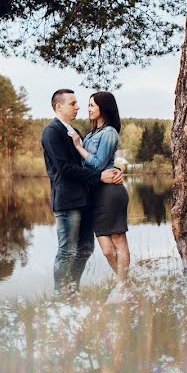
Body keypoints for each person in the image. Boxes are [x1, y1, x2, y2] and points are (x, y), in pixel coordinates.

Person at [41, 89, 123, 297]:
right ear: (59, 106)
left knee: (86, 249)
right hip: (68, 200)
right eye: (73, 103)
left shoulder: (75, 131)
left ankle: (72, 289)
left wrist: (116, 170)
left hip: (86, 200)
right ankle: (61, 295)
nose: (78, 107)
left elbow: (94, 160)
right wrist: (98, 177)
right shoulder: (52, 132)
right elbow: (64, 168)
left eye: (79, 104)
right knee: (67, 250)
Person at [68, 92, 131, 283]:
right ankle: (127, 284)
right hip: (95, 192)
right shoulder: (92, 134)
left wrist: (79, 147)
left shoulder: (109, 132)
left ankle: (123, 287)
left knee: (118, 238)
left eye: (91, 105)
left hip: (110, 192)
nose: (88, 109)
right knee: (106, 249)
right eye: (88, 105)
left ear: (103, 108)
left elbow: (97, 164)